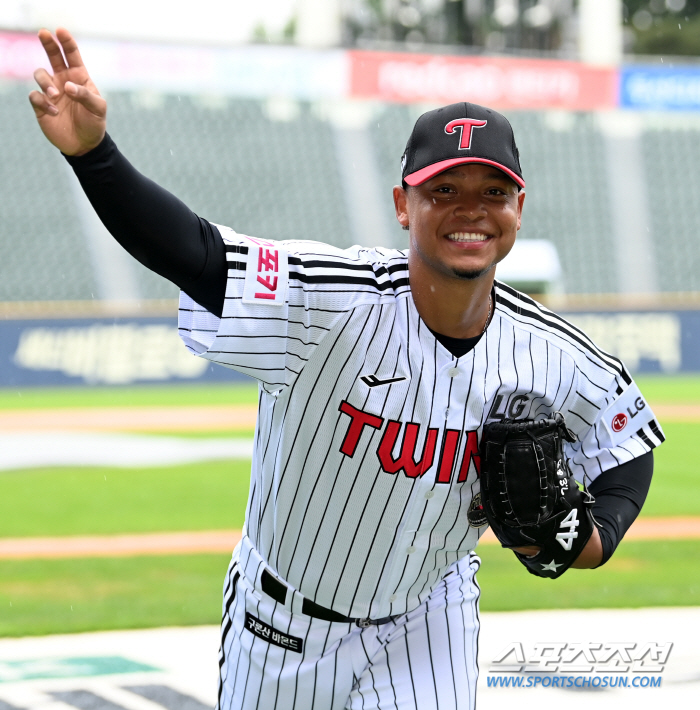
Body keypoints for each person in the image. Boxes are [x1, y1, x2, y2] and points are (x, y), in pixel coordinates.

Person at [30, 28, 664, 710]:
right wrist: (94, 156)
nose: (470, 210)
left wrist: (592, 540)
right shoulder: (327, 300)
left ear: (518, 209)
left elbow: (625, 440)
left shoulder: (553, 351)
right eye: (443, 189)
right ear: (403, 205)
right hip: (282, 626)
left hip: (429, 619)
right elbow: (196, 253)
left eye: (492, 191)